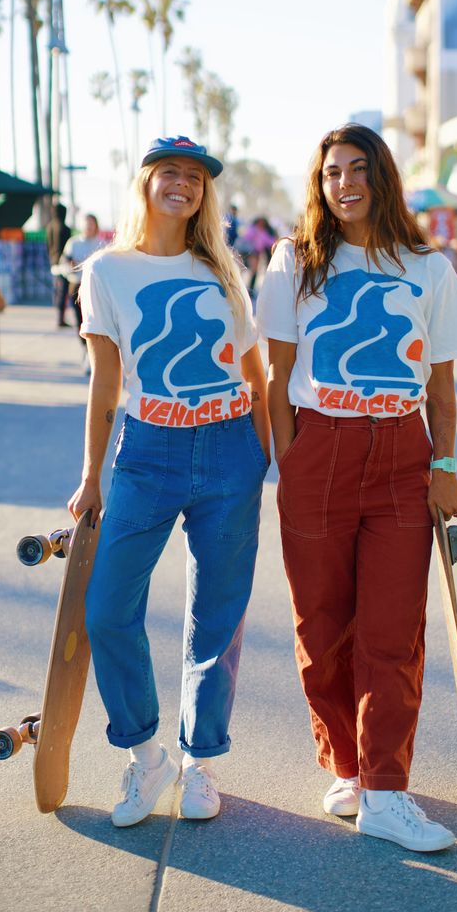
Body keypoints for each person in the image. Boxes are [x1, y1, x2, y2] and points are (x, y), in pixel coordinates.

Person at [256, 124, 457, 853]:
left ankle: (386, 790)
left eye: (358, 170)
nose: (344, 184)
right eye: (331, 173)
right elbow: (273, 379)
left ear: (382, 177)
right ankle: (348, 768)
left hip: (400, 457)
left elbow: (441, 390)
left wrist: (442, 467)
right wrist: (292, 465)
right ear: (319, 185)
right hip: (320, 447)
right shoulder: (294, 264)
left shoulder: (428, 268)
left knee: (392, 629)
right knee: (322, 626)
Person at [68, 135, 270, 828]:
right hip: (146, 452)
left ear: (203, 193)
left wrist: (262, 457)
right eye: (170, 173)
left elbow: (255, 375)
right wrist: (91, 474)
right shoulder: (105, 271)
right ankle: (144, 753)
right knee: (107, 609)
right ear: (147, 183)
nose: (183, 184)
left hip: (229, 449)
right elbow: (104, 382)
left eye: (195, 176)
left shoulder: (222, 270)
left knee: (216, 616)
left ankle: (200, 760)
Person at [60, 213, 107, 336]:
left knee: (94, 320)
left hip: (96, 287)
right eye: (86, 224)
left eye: (91, 224)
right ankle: (84, 345)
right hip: (76, 284)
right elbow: (64, 261)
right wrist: (70, 265)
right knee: (80, 319)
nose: (89, 227)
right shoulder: (73, 243)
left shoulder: (102, 244)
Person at [47, 202, 72, 327]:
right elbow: (68, 249)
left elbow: (48, 245)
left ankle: (59, 317)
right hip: (63, 263)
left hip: (53, 261)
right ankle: (61, 319)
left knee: (58, 290)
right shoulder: (65, 228)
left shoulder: (50, 227)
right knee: (63, 291)